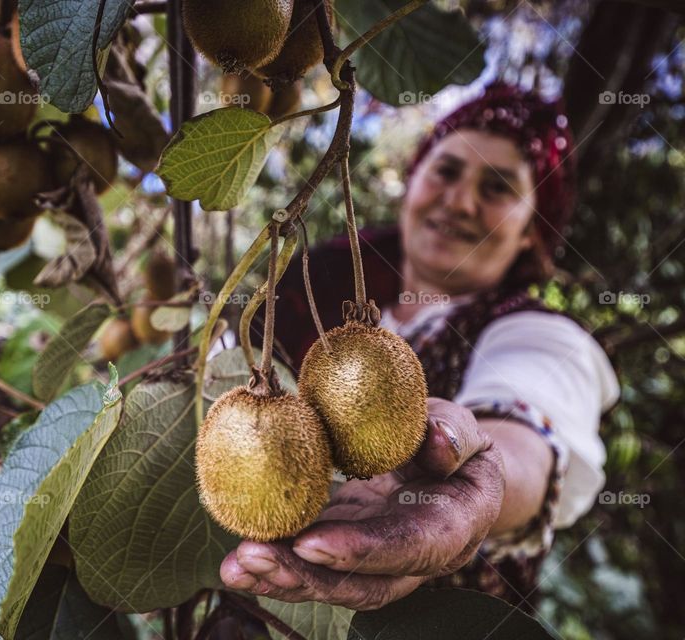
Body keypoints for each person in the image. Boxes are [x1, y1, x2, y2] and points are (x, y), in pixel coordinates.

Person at [220, 82, 620, 612]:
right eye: (447, 171)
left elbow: (527, 420)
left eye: (498, 187)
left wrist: (484, 478)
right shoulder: (308, 294)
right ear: (412, 183)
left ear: (531, 230)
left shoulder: (539, 334)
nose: (459, 201)